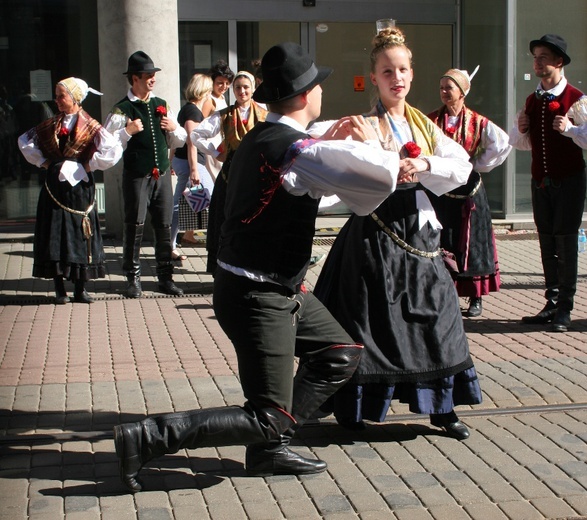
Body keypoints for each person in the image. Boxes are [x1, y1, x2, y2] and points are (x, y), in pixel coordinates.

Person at [113, 41, 406, 493]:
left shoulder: (259, 140)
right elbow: (378, 180)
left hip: (264, 287)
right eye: (321, 86)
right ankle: (150, 436)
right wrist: (374, 146)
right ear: (308, 95)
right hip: (258, 295)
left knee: (338, 353)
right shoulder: (297, 151)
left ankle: (270, 446)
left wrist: (331, 141)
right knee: (266, 413)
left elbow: (310, 189)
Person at [314, 27, 482, 440]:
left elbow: (461, 166)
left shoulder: (424, 126)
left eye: (403, 69)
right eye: (387, 71)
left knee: (439, 315)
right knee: (370, 321)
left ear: (411, 73)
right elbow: (320, 151)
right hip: (374, 231)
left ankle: (442, 407)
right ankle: (353, 410)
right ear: (374, 77)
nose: (397, 77)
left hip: (419, 231)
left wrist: (424, 165)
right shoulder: (361, 124)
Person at [18, 77, 122, 304]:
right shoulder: (52, 123)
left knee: (79, 233)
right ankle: (59, 288)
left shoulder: (91, 125)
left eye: (60, 96)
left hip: (79, 189)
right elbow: (24, 141)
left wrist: (89, 165)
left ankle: (80, 288)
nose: (56, 100)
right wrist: (45, 163)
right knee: (55, 233)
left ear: (74, 98)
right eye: (56, 95)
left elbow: (112, 150)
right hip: (54, 187)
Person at [509, 34, 587, 332]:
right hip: (541, 181)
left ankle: (565, 307)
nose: (537, 62)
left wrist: (570, 129)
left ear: (558, 62)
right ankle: (551, 302)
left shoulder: (576, 99)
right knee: (546, 242)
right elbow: (522, 144)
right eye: (535, 57)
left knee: (565, 241)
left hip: (569, 180)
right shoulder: (532, 99)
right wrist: (521, 129)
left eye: (543, 57)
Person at [428, 67, 512, 317]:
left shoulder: (478, 122)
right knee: (443, 241)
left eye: (449, 88)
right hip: (441, 191)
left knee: (472, 243)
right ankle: (445, 294)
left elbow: (501, 144)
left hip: (469, 192)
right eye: (442, 87)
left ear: (463, 92)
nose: (444, 92)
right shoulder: (431, 120)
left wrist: (476, 165)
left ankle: (476, 297)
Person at [104, 51, 187, 298]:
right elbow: (107, 145)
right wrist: (126, 132)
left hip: (161, 174)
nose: (153, 79)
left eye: (153, 75)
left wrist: (175, 128)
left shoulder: (162, 104)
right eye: (148, 75)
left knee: (163, 225)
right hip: (137, 176)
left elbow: (179, 139)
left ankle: (165, 277)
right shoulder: (121, 109)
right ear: (135, 78)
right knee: (135, 225)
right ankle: (133, 278)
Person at [192, 71, 267, 274]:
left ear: (253, 89)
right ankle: (222, 269)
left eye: (245, 87)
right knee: (225, 219)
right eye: (238, 87)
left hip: (255, 175)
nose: (242, 91)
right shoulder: (224, 114)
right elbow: (196, 134)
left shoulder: (264, 114)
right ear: (233, 90)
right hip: (230, 175)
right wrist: (216, 151)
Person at [170, 73, 215, 259]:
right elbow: (191, 141)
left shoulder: (188, 109)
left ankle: (169, 245)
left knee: (179, 205)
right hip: (191, 163)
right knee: (213, 199)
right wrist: (195, 169)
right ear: (205, 91)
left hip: (186, 162)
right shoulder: (193, 112)